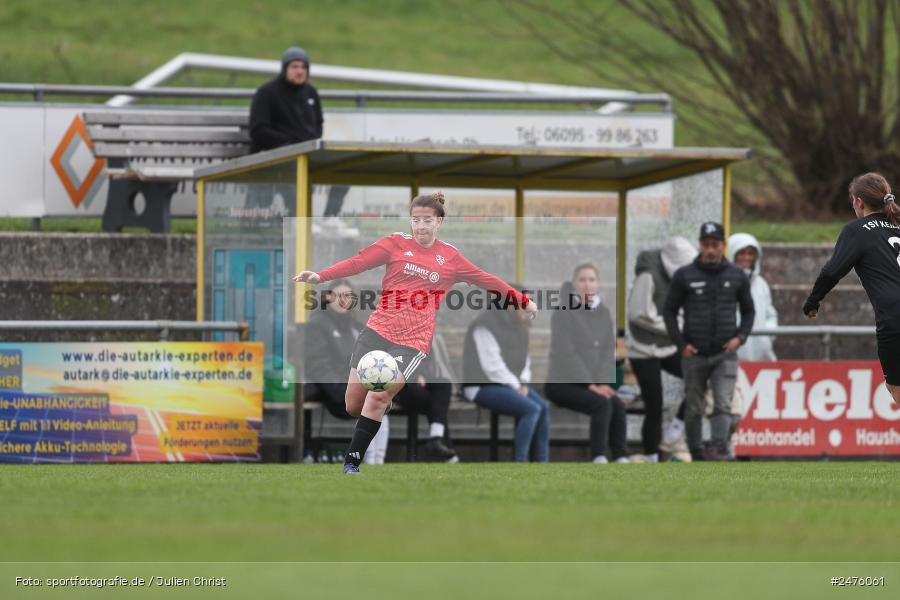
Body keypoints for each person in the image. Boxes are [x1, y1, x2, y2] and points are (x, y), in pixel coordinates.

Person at [293, 191, 536, 473]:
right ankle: (375, 415)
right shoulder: (394, 244)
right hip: (376, 333)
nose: (421, 226)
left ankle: (351, 464)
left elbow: (486, 280)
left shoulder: (450, 258)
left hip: (412, 343)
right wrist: (320, 276)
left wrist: (522, 299)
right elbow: (358, 262)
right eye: (416, 220)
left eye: (427, 221)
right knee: (352, 405)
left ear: (439, 222)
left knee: (378, 395)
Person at [804, 172, 900, 407]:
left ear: (859, 201)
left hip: (895, 319)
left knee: (896, 389)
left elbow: (831, 271)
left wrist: (813, 301)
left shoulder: (857, 230)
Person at [662, 222, 755, 461]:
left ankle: (720, 449)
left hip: (725, 352)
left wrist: (740, 337)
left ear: (723, 246)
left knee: (723, 402)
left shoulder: (736, 275)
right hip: (695, 353)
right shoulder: (685, 275)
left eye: (715, 245)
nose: (711, 250)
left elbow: (748, 311)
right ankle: (696, 452)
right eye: (706, 245)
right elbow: (669, 311)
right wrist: (681, 345)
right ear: (700, 245)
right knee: (693, 406)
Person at [248, 46, 356, 236]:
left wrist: (309, 144)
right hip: (276, 156)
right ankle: (297, 219)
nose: (300, 71)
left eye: (303, 67)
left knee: (344, 168)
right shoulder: (267, 92)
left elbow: (318, 125)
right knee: (293, 166)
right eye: (294, 66)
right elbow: (258, 130)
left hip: (308, 153)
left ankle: (330, 216)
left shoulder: (311, 93)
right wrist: (289, 144)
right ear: (284, 68)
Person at [545, 263, 627, 464]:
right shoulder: (563, 312)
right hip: (561, 383)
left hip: (592, 384)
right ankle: (599, 457)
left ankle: (621, 457)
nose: (587, 284)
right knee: (601, 403)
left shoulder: (604, 313)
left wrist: (603, 383)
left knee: (616, 403)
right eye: (582, 280)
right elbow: (566, 354)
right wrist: (591, 384)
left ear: (598, 284)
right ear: (574, 283)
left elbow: (609, 351)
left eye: (592, 280)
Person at [626, 237, 696, 462]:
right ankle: (651, 457)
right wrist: (673, 327)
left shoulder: (682, 278)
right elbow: (637, 314)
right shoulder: (648, 276)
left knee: (698, 378)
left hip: (667, 347)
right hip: (643, 349)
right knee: (654, 405)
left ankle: (674, 433)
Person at [303, 279, 389, 464]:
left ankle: (377, 460)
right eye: (338, 295)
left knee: (380, 398)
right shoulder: (317, 324)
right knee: (370, 401)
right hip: (332, 391)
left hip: (355, 385)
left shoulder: (356, 327)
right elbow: (318, 365)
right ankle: (368, 458)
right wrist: (341, 388)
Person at [462, 300, 550, 463]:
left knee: (543, 407)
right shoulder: (484, 324)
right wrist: (516, 386)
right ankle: (520, 462)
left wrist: (523, 383)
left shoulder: (521, 326)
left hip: (511, 385)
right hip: (481, 386)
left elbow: (525, 361)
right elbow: (492, 366)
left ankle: (542, 464)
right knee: (531, 409)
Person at [728, 233, 778, 361]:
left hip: (761, 355)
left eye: (750, 254)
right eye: (742, 253)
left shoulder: (761, 284)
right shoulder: (723, 282)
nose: (746, 258)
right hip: (732, 352)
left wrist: (766, 337)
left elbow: (770, 314)